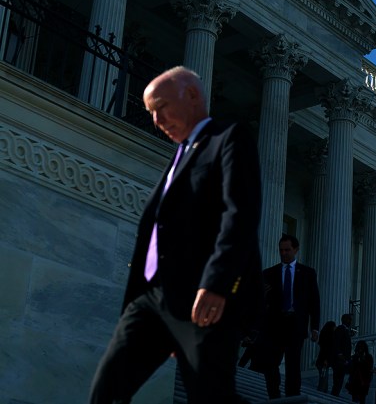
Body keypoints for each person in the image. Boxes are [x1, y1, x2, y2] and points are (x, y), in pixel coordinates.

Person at [89, 66, 262, 403]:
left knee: (211, 396)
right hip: (150, 300)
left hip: (201, 295)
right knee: (106, 392)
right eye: (151, 113)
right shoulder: (179, 157)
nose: (156, 120)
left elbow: (239, 214)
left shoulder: (228, 137)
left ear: (193, 95)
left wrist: (217, 283)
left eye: (161, 107)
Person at [261, 235, 321, 398]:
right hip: (275, 326)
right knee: (270, 363)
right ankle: (274, 395)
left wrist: (315, 327)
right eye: (281, 250)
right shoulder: (269, 273)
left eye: (287, 250)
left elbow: (314, 301)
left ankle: (292, 397)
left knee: (293, 365)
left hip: (296, 325)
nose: (284, 253)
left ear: (295, 249)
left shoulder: (308, 273)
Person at [332, 313, 353, 396]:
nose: (350, 322)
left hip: (343, 360)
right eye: (349, 319)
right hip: (339, 360)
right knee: (337, 380)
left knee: (339, 380)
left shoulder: (345, 330)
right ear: (344, 320)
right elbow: (337, 342)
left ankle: (335, 394)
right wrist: (340, 354)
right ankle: (334, 395)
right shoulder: (340, 329)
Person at [316, 320, 337, 392]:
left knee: (324, 380)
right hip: (324, 362)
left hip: (322, 361)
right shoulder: (328, 338)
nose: (335, 328)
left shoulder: (324, 336)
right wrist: (325, 360)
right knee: (323, 381)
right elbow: (326, 350)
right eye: (334, 326)